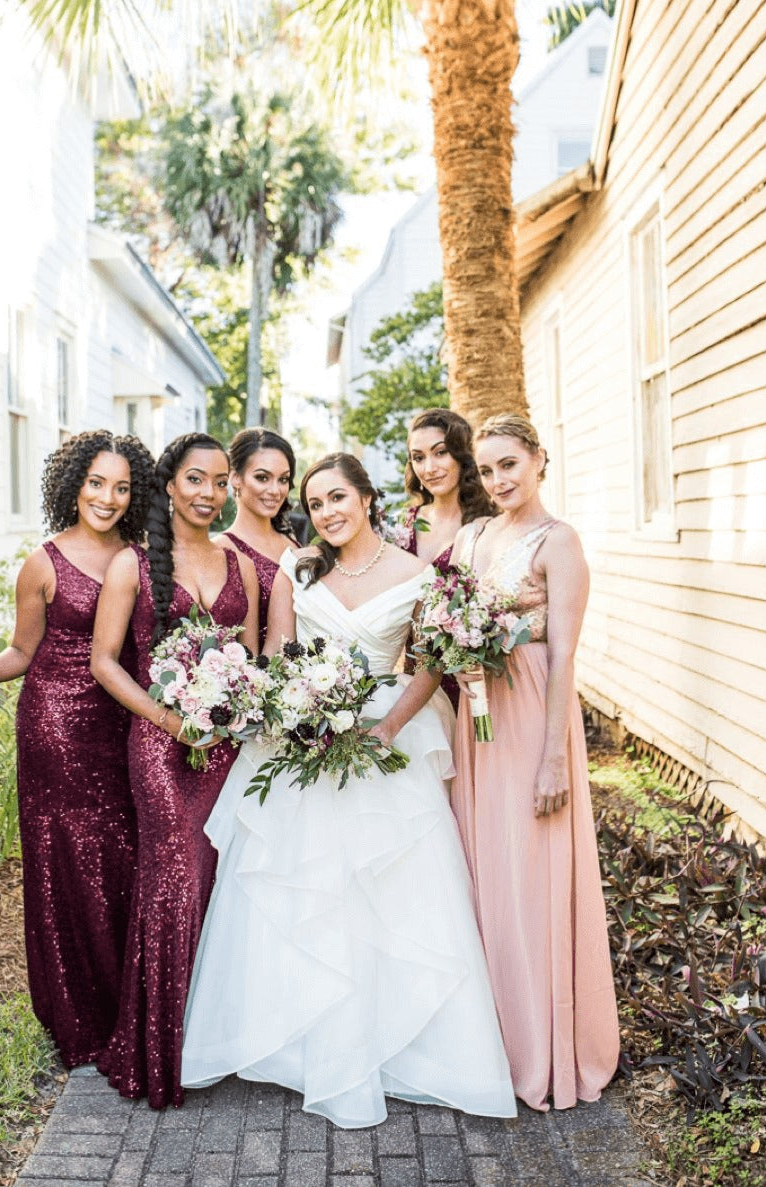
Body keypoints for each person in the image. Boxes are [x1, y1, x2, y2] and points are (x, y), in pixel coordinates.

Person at [182, 453, 516, 1129]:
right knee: (303, 886)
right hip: (307, 733)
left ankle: (401, 1041)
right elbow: (277, 654)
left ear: (366, 497)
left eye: (339, 496)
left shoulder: (417, 573)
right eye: (317, 501)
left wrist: (388, 725)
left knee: (388, 889)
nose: (329, 511)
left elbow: (427, 662)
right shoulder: (297, 571)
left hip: (385, 739)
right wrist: (300, 713)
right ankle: (300, 1040)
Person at [0, 430, 155, 1068]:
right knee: (66, 862)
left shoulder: (143, 555)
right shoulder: (43, 562)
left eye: (121, 487)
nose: (108, 498)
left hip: (125, 721)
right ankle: (77, 1015)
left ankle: (131, 1007)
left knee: (124, 857)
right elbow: (21, 652)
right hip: (56, 731)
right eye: (96, 483)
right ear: (73, 485)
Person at [449, 414, 619, 1112]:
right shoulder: (471, 537)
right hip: (476, 719)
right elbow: (449, 617)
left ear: (540, 459)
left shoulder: (560, 541)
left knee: (531, 873)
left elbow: (563, 658)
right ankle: (488, 1038)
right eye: (487, 469)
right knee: (485, 871)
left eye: (510, 464)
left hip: (530, 725)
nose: (499, 480)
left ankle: (543, 1045)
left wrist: (555, 759)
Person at [90, 433, 258, 1108]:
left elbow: (246, 649)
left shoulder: (237, 560)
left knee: (222, 878)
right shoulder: (131, 565)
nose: (209, 493)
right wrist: (168, 720)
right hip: (162, 747)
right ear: (168, 485)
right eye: (196, 478)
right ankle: (155, 1049)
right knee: (176, 879)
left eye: (220, 481)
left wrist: (239, 701)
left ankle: (213, 1041)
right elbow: (105, 661)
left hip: (225, 744)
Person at [401, 408, 492, 709]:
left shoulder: (487, 527)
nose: (429, 468)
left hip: (469, 684)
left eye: (440, 453)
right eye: (418, 457)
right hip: (414, 683)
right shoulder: (405, 524)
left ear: (461, 455)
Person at [214, 428, 299, 651]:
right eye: (262, 477)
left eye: (283, 479)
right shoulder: (221, 551)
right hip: (256, 676)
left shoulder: (294, 545)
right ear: (235, 478)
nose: (275, 490)